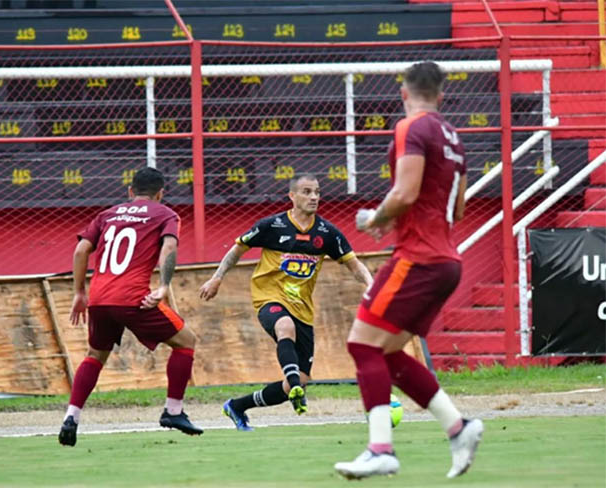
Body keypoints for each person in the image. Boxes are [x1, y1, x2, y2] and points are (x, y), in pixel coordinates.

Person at [334, 61, 483, 480]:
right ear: (441, 95)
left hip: (418, 257)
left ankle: (380, 448)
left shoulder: (410, 128)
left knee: (362, 345)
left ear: (404, 92)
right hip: (447, 259)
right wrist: (398, 214)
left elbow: (405, 191)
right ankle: (459, 428)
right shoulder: (454, 137)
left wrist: (375, 218)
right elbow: (457, 207)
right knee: (387, 353)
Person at [199, 173, 373, 431]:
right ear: (292, 196)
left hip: (303, 309)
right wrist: (217, 278)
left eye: (316, 192)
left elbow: (354, 266)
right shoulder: (272, 225)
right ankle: (295, 388)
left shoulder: (327, 234)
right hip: (268, 297)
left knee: (299, 381)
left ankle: (237, 406)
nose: (313, 197)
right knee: (284, 327)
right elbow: (238, 248)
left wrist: (372, 287)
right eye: (306, 192)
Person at [58, 167, 203, 447]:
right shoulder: (165, 214)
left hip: (99, 299)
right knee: (186, 341)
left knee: (95, 355)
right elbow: (169, 248)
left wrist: (79, 293)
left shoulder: (107, 214)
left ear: (130, 192)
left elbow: (80, 251)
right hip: (133, 298)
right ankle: (173, 411)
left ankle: (71, 417)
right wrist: (162, 287)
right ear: (161, 193)